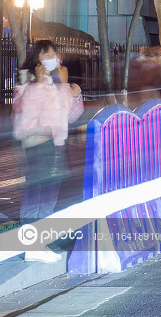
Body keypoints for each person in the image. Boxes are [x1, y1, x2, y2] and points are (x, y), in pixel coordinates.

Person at [14, 40, 83, 239]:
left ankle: (41, 241)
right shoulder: (26, 85)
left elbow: (68, 117)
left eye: (55, 54)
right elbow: (29, 114)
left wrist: (73, 94)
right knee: (34, 196)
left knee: (49, 197)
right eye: (47, 54)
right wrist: (39, 82)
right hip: (37, 146)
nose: (53, 58)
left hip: (56, 145)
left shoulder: (55, 84)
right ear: (36, 60)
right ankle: (29, 243)